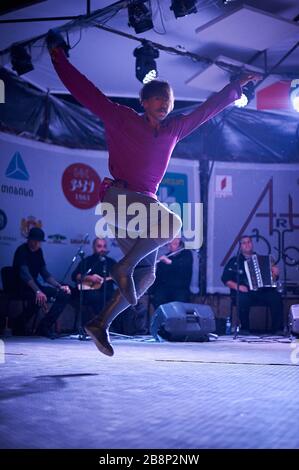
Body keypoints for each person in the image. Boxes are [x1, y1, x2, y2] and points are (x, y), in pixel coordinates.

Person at [47, 29, 260, 356]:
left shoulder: (174, 129)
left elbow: (205, 110)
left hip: (139, 211)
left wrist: (234, 88)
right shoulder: (121, 118)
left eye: (169, 100)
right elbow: (84, 91)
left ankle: (100, 323)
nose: (165, 104)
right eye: (158, 98)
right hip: (118, 200)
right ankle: (122, 269)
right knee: (172, 225)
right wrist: (58, 57)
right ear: (144, 102)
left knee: (148, 275)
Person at [13, 227, 71, 337]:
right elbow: (25, 274)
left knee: (64, 294)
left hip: (35, 286)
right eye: (34, 240)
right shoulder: (22, 250)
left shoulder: (38, 252)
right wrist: (38, 291)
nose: (36, 243)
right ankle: (17, 324)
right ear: (28, 239)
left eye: (38, 241)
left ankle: (44, 327)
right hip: (21, 286)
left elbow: (45, 274)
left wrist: (59, 286)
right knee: (37, 299)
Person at [221, 235, 284, 334]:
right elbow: (225, 279)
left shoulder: (262, 259)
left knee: (275, 297)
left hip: (261, 292)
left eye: (249, 242)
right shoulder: (235, 261)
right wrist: (238, 287)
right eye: (244, 243)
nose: (247, 244)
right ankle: (245, 329)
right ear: (240, 246)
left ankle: (278, 329)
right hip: (245, 292)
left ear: (252, 244)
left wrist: (275, 273)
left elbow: (273, 279)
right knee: (242, 298)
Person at [71, 237, 116, 326]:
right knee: (94, 297)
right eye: (99, 246)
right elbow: (74, 276)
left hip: (108, 292)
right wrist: (89, 278)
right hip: (91, 292)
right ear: (93, 247)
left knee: (119, 297)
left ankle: (114, 328)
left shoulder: (111, 262)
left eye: (104, 246)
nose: (102, 249)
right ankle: (96, 326)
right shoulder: (87, 261)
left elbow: (119, 279)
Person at [151, 237, 193, 309]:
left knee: (180, 303)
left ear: (178, 242)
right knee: (158, 298)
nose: (169, 247)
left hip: (180, 288)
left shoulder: (187, 254)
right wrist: (152, 290)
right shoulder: (167, 255)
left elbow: (182, 266)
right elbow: (159, 275)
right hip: (165, 287)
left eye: (172, 244)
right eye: (168, 244)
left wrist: (168, 261)